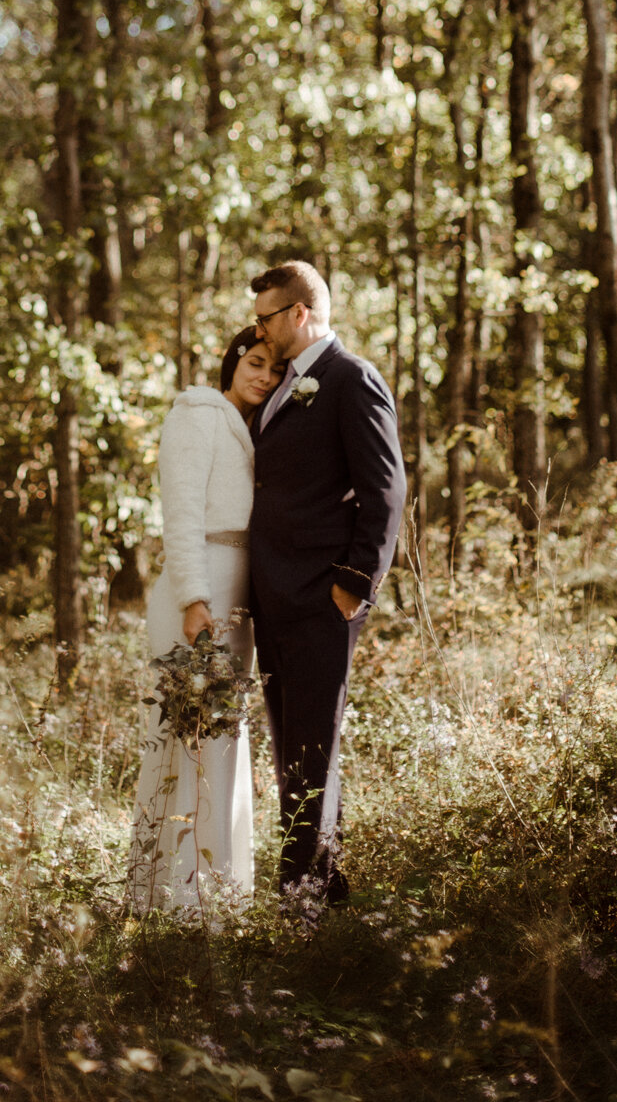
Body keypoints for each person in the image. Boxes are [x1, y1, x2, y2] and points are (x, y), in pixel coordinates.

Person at [248, 259, 405, 911]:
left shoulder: (350, 380)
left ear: (298, 315)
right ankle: (326, 883)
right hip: (275, 598)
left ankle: (298, 903)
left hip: (319, 598)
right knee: (296, 748)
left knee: (310, 749)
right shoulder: (286, 384)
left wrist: (352, 586)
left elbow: (385, 490)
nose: (257, 330)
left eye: (264, 318)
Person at [125, 329, 283, 915]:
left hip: (237, 598)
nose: (264, 377)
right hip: (201, 598)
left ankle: (222, 894)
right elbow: (182, 510)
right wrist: (195, 597)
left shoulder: (251, 428)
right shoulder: (197, 413)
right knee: (186, 740)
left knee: (224, 737)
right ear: (233, 362)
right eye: (255, 363)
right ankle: (168, 895)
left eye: (274, 368)